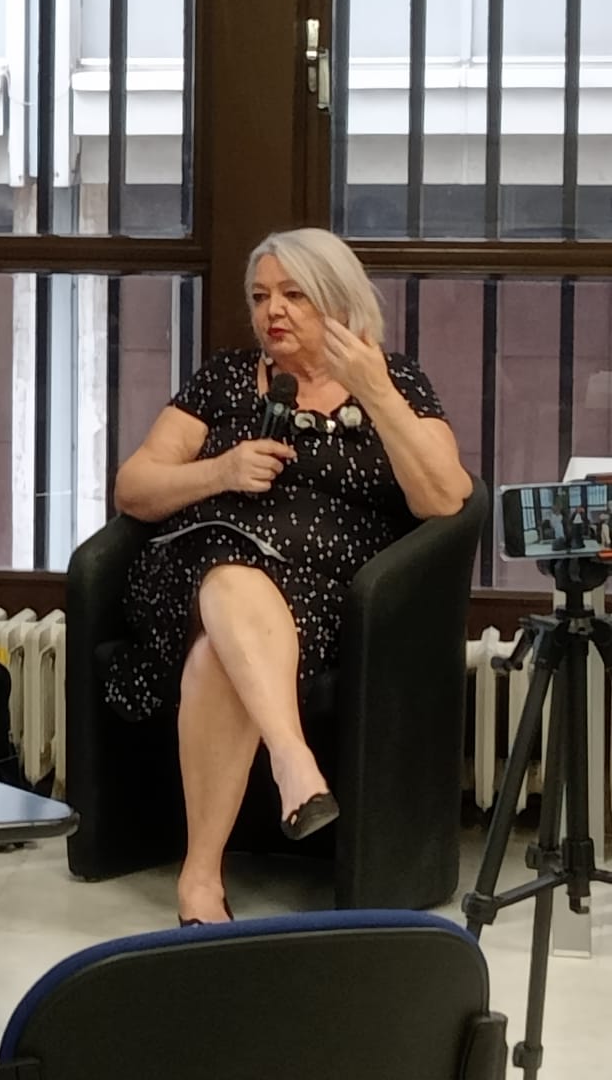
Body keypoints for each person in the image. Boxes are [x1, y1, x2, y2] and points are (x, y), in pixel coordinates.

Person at [108, 227, 472, 927]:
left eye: (293, 295)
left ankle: (200, 880)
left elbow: (446, 498)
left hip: (331, 599)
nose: (272, 311)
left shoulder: (397, 382)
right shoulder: (223, 379)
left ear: (338, 302)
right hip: (197, 570)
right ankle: (292, 762)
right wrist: (221, 470)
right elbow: (134, 487)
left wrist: (376, 391)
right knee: (231, 576)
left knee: (218, 656)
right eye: (260, 296)